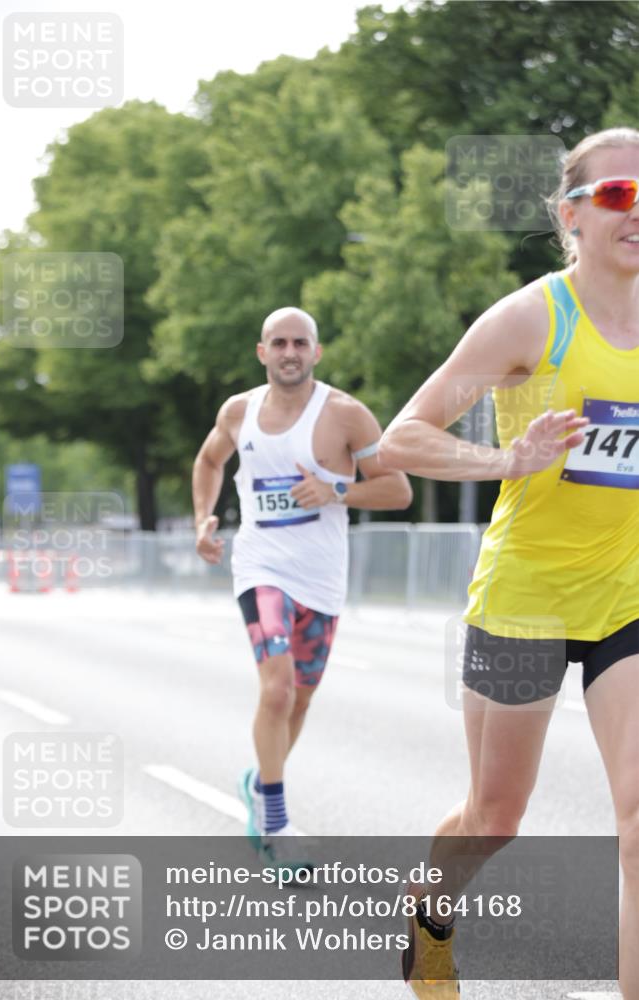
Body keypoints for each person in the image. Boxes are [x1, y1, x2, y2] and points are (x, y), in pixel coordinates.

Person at [379, 127, 639, 999]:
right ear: (570, 215)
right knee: (495, 819)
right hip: (524, 597)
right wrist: (503, 461)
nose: (635, 209)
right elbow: (402, 437)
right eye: (615, 194)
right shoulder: (533, 316)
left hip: (625, 596)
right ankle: (429, 908)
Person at [193, 306, 412, 861]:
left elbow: (397, 491)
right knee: (277, 689)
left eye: (300, 343)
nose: (290, 352)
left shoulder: (346, 415)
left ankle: (259, 784)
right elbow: (208, 461)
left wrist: (337, 490)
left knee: (301, 700)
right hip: (260, 568)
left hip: (321, 578)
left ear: (316, 352)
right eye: (279, 342)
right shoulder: (237, 412)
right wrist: (203, 517)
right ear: (262, 352)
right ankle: (277, 824)